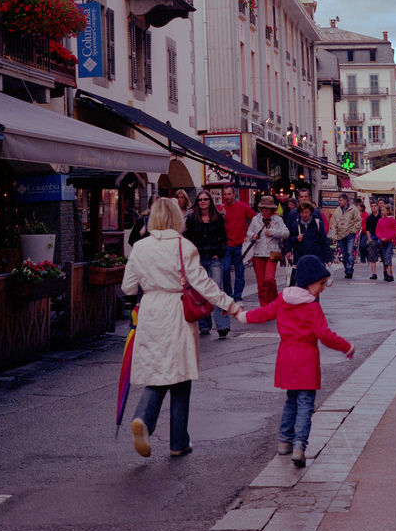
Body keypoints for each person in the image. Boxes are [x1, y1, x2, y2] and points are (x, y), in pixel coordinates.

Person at [121, 198, 236, 458]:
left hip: (150, 309)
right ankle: (177, 441)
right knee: (181, 375)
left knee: (157, 370)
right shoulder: (184, 246)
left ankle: (143, 418)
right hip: (177, 310)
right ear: (176, 218)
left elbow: (128, 287)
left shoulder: (139, 248)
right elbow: (204, 284)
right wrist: (230, 305)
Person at [233, 255, 354, 467]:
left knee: (291, 400)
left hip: (286, 356)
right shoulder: (312, 307)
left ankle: (284, 442)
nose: (323, 288)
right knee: (306, 403)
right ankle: (299, 446)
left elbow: (264, 313)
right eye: (321, 284)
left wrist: (243, 317)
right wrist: (347, 346)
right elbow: (324, 334)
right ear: (309, 282)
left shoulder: (283, 299)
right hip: (306, 358)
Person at [185, 190, 228, 336]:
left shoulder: (217, 218)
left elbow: (224, 238)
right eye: (200, 200)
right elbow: (188, 238)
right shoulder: (192, 219)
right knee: (201, 290)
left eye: (205, 199)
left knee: (216, 289)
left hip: (214, 257)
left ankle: (222, 325)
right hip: (199, 258)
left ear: (210, 201)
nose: (202, 202)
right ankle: (204, 325)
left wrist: (220, 254)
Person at [244, 195, 290, 307]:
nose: (265, 209)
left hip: (273, 253)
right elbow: (248, 232)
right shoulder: (255, 219)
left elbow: (286, 233)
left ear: (272, 208)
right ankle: (264, 307)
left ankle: (274, 303)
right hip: (258, 253)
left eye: (268, 207)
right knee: (261, 283)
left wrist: (272, 231)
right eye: (263, 207)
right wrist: (253, 235)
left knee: (269, 279)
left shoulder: (278, 220)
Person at [220, 184, 255, 318]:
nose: (227, 197)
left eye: (229, 194)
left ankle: (238, 297)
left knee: (240, 273)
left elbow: (254, 218)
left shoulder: (243, 206)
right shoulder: (221, 209)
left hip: (241, 243)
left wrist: (249, 234)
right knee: (225, 270)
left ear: (234, 194)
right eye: (225, 194)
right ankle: (229, 296)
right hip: (227, 244)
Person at [328, 193, 362, 279]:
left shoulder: (353, 209)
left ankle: (350, 269)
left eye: (340, 200)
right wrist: (334, 236)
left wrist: (353, 231)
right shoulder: (337, 211)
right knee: (343, 253)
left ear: (346, 200)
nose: (339, 202)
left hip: (350, 234)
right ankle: (347, 269)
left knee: (350, 252)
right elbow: (334, 224)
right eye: (338, 200)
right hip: (340, 235)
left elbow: (358, 221)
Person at [288, 201, 331, 266]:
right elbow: (290, 240)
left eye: (306, 212)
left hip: (317, 258)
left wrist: (328, 259)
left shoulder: (318, 224)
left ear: (311, 212)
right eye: (302, 213)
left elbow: (324, 242)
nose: (304, 215)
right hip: (301, 259)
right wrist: (296, 238)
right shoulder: (296, 224)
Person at [375, 200, 396, 281]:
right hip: (383, 241)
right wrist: (380, 237)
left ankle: (389, 273)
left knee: (388, 256)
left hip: (390, 241)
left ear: (388, 211)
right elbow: (377, 231)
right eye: (381, 210)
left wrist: (388, 237)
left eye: (384, 210)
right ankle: (388, 272)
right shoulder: (380, 220)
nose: (382, 212)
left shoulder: (392, 220)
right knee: (384, 256)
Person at [363, 201, 382, 279]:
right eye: (372, 206)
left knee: (383, 255)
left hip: (381, 238)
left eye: (375, 206)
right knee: (372, 255)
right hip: (373, 237)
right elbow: (367, 229)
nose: (374, 207)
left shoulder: (381, 217)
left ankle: (385, 272)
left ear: (378, 206)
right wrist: (369, 239)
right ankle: (374, 273)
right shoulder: (369, 218)